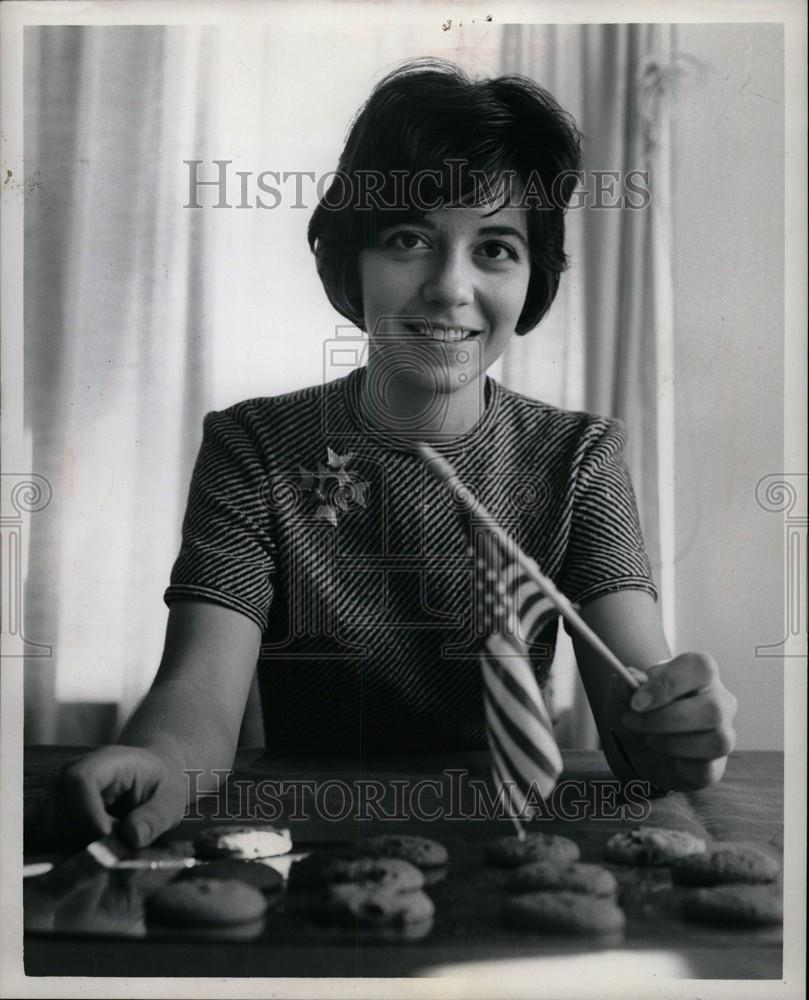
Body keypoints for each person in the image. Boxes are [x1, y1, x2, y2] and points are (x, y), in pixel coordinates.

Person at [46, 59, 737, 848]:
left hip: (507, 847)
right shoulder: (252, 447)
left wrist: (681, 730)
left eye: (495, 248)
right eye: (409, 238)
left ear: (530, 278)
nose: (449, 286)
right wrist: (156, 763)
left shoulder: (579, 457)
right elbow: (200, 702)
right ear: (351, 260)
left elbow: (633, 709)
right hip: (305, 845)